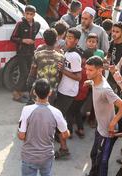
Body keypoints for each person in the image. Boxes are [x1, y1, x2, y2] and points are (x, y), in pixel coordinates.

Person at [79, 56, 122, 176]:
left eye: (90, 70)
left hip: (107, 132)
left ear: (100, 70)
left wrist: (113, 123)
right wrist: (90, 82)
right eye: (86, 69)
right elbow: (94, 82)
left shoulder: (105, 89)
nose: (87, 72)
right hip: (100, 128)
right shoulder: (96, 81)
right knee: (94, 154)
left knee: (102, 161)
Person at [18, 78, 69, 176]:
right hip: (46, 155)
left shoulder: (27, 110)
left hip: (29, 155)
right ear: (50, 92)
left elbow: (21, 136)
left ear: (34, 92)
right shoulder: (56, 112)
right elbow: (65, 134)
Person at [53, 28, 83, 160]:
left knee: (58, 118)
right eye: (67, 37)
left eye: (71, 38)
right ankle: (57, 137)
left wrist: (63, 70)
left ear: (76, 41)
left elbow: (78, 77)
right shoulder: (67, 51)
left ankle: (64, 148)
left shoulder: (75, 56)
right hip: (62, 88)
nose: (68, 39)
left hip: (68, 92)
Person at [10, 4, 38, 103]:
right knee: (24, 73)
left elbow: (34, 37)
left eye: (31, 14)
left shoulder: (36, 25)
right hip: (21, 52)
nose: (29, 16)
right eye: (27, 14)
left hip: (31, 53)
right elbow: (12, 38)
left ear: (34, 14)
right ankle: (15, 93)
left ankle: (22, 92)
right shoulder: (20, 24)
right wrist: (23, 40)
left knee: (30, 73)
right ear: (24, 13)